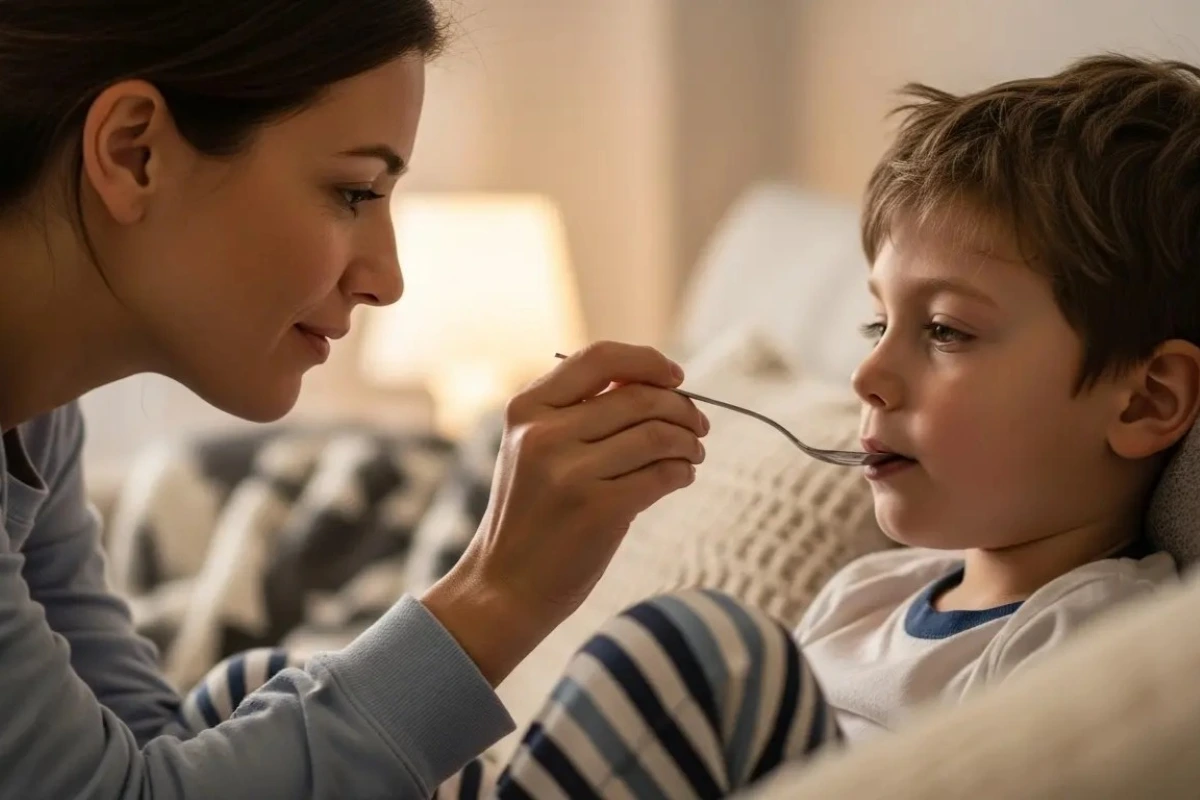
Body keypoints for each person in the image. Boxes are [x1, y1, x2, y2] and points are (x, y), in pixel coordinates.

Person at [423, 53, 1200, 797]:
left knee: (700, 653)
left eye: (945, 331)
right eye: (876, 325)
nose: (867, 377)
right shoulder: (866, 595)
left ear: (1146, 401)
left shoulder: (1093, 640)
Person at [0, 2, 713, 798]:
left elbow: (137, 743)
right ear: (134, 152)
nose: (387, 278)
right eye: (352, 192)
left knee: (251, 688)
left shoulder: (35, 413)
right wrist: (497, 594)